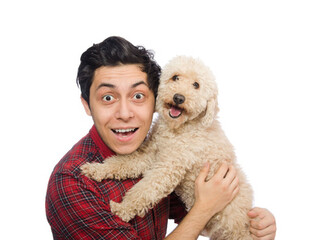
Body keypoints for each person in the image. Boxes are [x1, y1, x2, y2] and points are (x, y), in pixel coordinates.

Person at [46, 36, 277, 240]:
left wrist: (257, 226)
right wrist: (204, 209)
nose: (125, 113)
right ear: (87, 104)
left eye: (138, 95)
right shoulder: (71, 183)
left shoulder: (168, 141)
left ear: (153, 100)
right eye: (108, 98)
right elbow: (199, 211)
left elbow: (200, 216)